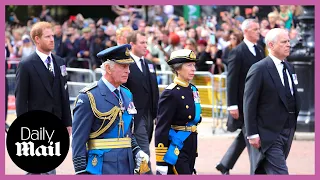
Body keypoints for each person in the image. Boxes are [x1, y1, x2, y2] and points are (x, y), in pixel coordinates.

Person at [72, 44, 149, 175]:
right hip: (101, 168)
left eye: (128, 66)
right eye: (123, 66)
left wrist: (137, 150)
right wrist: (81, 172)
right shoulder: (89, 97)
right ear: (108, 68)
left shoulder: (127, 94)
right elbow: (78, 142)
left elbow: (127, 132)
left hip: (127, 166)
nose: (128, 71)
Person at [14, 21, 72, 175]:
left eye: (52, 36)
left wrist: (67, 122)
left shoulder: (59, 62)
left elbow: (63, 94)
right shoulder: (26, 65)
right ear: (37, 39)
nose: (52, 39)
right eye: (47, 37)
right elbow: (21, 99)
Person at [244, 28, 301, 174]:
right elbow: (249, 103)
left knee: (264, 171)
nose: (288, 44)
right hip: (268, 132)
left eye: (289, 41)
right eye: (284, 42)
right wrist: (252, 133)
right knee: (281, 172)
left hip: (287, 129)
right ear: (271, 45)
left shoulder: (289, 67)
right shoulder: (259, 69)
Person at [216, 19, 265, 175]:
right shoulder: (237, 52)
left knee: (245, 135)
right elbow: (232, 80)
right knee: (251, 135)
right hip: (243, 103)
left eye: (258, 29)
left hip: (256, 101)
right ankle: (256, 171)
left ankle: (225, 163)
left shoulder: (259, 50)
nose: (258, 31)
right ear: (246, 31)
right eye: (255, 29)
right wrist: (232, 105)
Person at [155, 49, 202, 175]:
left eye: (194, 65)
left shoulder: (193, 89)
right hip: (176, 147)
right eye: (189, 65)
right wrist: (160, 162)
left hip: (191, 145)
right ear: (178, 69)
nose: (193, 69)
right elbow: (161, 128)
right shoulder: (170, 93)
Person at [124, 31, 159, 174]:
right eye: (142, 43)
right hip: (135, 115)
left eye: (146, 42)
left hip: (149, 114)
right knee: (144, 150)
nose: (146, 46)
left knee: (140, 149)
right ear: (132, 45)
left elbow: (154, 90)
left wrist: (157, 113)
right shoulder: (126, 64)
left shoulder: (149, 64)